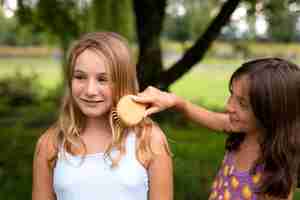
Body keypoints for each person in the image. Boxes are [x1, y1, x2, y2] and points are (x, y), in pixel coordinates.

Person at [32, 32, 173, 200]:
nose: (90, 90)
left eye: (103, 79)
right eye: (80, 77)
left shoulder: (149, 140)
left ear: (123, 82)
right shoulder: (50, 144)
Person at [133, 58, 300, 199]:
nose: (229, 106)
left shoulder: (276, 174)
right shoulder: (241, 131)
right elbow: (210, 118)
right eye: (231, 95)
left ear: (271, 112)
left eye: (242, 103)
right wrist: (175, 101)